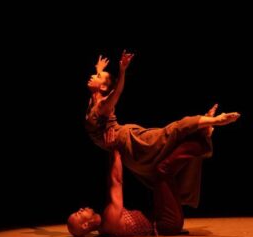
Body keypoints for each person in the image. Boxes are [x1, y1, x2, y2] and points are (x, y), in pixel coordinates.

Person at [84, 50, 240, 208]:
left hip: (132, 141)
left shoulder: (103, 105)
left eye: (97, 76)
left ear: (103, 87)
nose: (92, 75)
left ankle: (215, 120)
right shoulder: (94, 101)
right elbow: (103, 88)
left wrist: (122, 71)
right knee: (158, 170)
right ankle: (202, 130)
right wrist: (99, 70)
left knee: (170, 132)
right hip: (127, 154)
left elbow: (116, 92)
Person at [68, 138, 214, 237]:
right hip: (167, 224)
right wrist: (115, 151)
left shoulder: (106, 222)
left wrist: (111, 153)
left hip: (161, 219)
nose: (80, 209)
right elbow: (116, 181)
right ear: (85, 225)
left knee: (164, 171)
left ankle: (198, 140)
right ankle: (201, 143)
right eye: (77, 214)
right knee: (162, 170)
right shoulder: (109, 221)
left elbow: (111, 182)